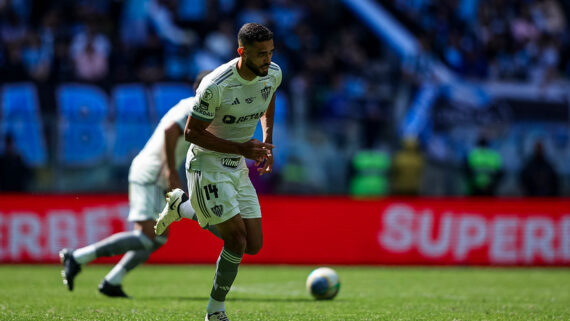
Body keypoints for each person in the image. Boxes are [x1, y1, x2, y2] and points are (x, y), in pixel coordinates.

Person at [154, 23, 281, 321]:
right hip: (207, 164)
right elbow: (191, 133)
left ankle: (182, 207)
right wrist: (242, 149)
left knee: (253, 245)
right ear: (242, 52)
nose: (268, 59)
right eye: (261, 54)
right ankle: (215, 310)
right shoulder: (215, 85)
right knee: (235, 239)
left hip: (236, 165)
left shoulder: (272, 73)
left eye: (271, 52)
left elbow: (269, 95)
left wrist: (266, 142)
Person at [59, 71, 220, 298]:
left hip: (156, 173)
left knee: (157, 238)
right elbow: (169, 131)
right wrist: (170, 172)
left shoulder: (194, 108)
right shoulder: (193, 107)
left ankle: (111, 281)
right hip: (151, 173)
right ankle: (76, 257)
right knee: (146, 236)